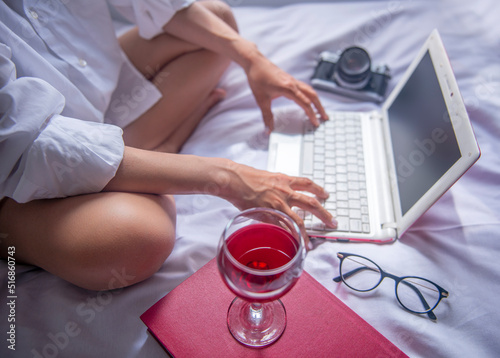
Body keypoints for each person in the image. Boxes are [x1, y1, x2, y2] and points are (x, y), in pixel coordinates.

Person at [0, 0, 337, 290]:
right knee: (138, 240)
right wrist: (226, 176)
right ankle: (12, 227)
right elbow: (29, 138)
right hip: (15, 168)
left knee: (216, 19)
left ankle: (141, 157)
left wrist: (252, 58)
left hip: (91, 101)